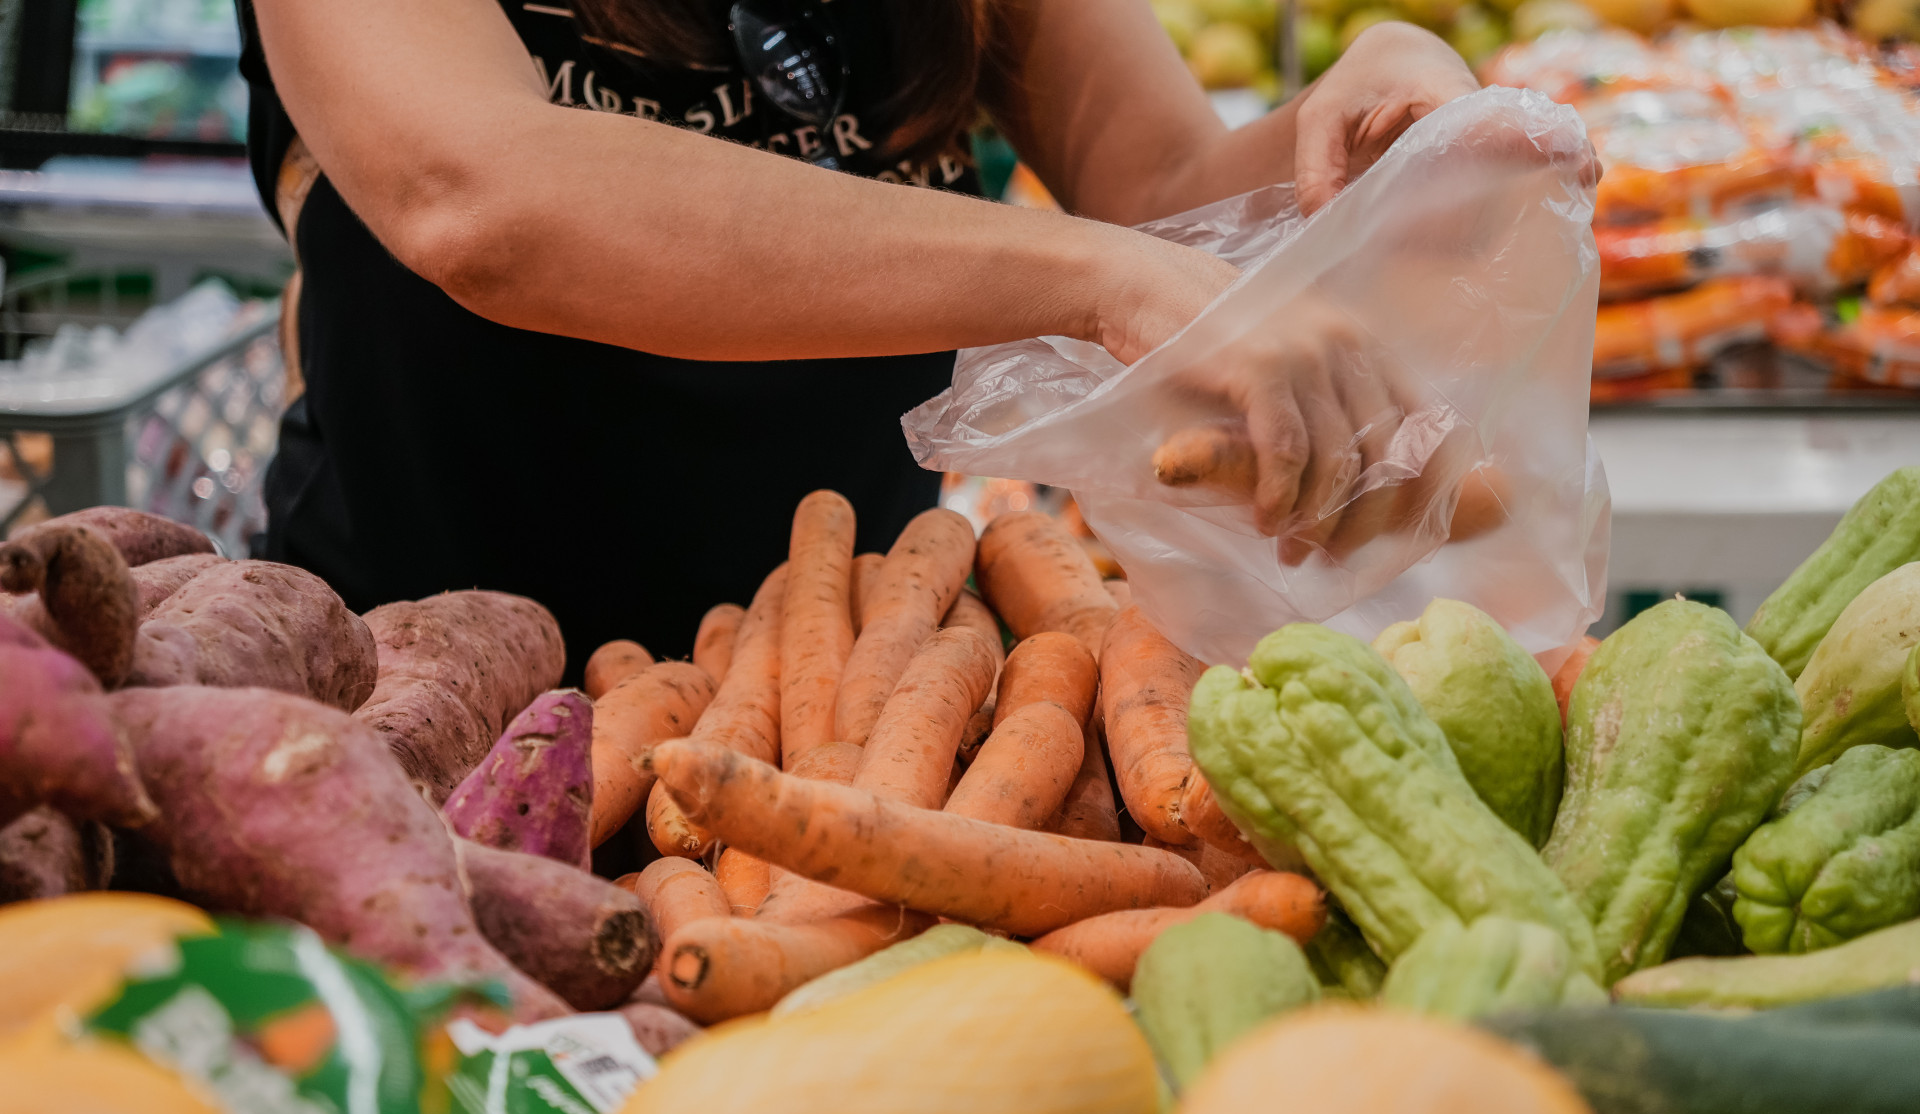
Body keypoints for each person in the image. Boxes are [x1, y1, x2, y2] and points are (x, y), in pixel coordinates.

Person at [239, 0, 1480, 675]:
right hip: (398, 685)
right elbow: (479, 196)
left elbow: (1161, 184)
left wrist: (1358, 114)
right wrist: (1096, 277)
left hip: (843, 700)